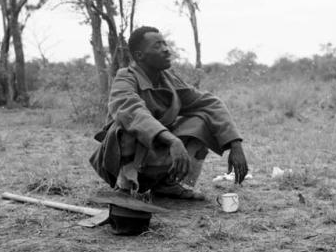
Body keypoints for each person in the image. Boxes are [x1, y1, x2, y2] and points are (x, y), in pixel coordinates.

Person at [90, 26, 248, 199]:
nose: (166, 49)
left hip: (154, 153)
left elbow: (209, 103)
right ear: (139, 56)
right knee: (125, 125)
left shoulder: (168, 79)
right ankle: (125, 187)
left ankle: (168, 184)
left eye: (165, 44)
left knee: (202, 121)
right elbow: (132, 112)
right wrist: (172, 140)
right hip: (124, 157)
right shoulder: (125, 77)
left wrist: (235, 144)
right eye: (157, 46)